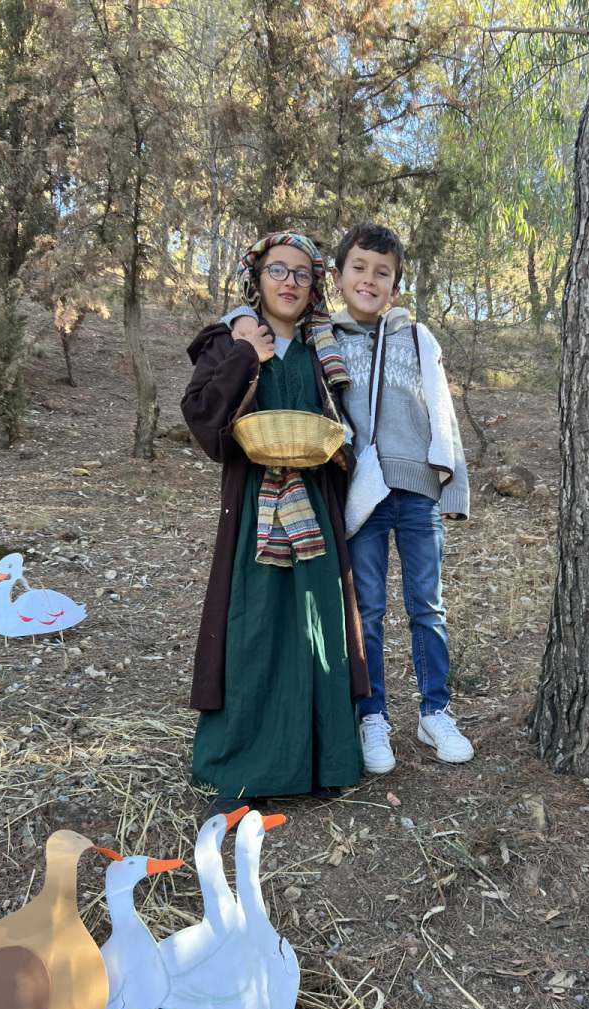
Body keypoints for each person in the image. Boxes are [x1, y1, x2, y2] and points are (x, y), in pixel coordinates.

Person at [226, 222, 472, 775]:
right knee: (367, 609)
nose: (369, 279)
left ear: (396, 286)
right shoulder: (322, 336)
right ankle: (372, 716)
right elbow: (256, 320)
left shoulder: (418, 338)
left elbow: (443, 410)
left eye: (382, 273)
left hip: (419, 489)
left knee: (427, 604)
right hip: (362, 491)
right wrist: (239, 320)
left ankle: (435, 711)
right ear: (337, 278)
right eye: (358, 268)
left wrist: (454, 484)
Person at [181, 232, 367, 812]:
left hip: (314, 508)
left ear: (314, 287)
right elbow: (203, 418)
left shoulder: (323, 351)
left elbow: (342, 427)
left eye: (303, 274)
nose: (290, 282)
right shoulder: (227, 340)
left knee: (318, 625)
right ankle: (242, 769)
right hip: (253, 515)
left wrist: (339, 453)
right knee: (253, 626)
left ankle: (320, 761)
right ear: (256, 278)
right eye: (278, 270)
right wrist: (246, 354)